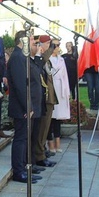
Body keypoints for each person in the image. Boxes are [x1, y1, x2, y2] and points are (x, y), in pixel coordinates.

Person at [7, 30, 44, 184]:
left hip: (25, 106)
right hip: (21, 107)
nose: (31, 43)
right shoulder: (17, 57)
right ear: (22, 40)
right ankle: (19, 171)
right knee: (20, 139)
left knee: (24, 138)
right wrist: (27, 106)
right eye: (30, 40)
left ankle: (23, 168)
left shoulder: (22, 56)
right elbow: (21, 85)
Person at [33, 35, 57, 168]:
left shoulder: (45, 60)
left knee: (45, 128)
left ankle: (41, 151)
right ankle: (39, 155)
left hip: (49, 98)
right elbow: (42, 60)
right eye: (48, 43)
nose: (51, 47)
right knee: (42, 130)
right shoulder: (40, 59)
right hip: (44, 98)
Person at [49, 39, 71, 154]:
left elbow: (65, 76)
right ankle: (50, 143)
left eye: (59, 45)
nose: (58, 47)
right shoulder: (47, 59)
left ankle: (58, 142)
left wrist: (67, 91)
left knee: (58, 118)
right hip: (52, 88)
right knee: (50, 118)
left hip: (60, 88)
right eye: (55, 45)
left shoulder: (61, 59)